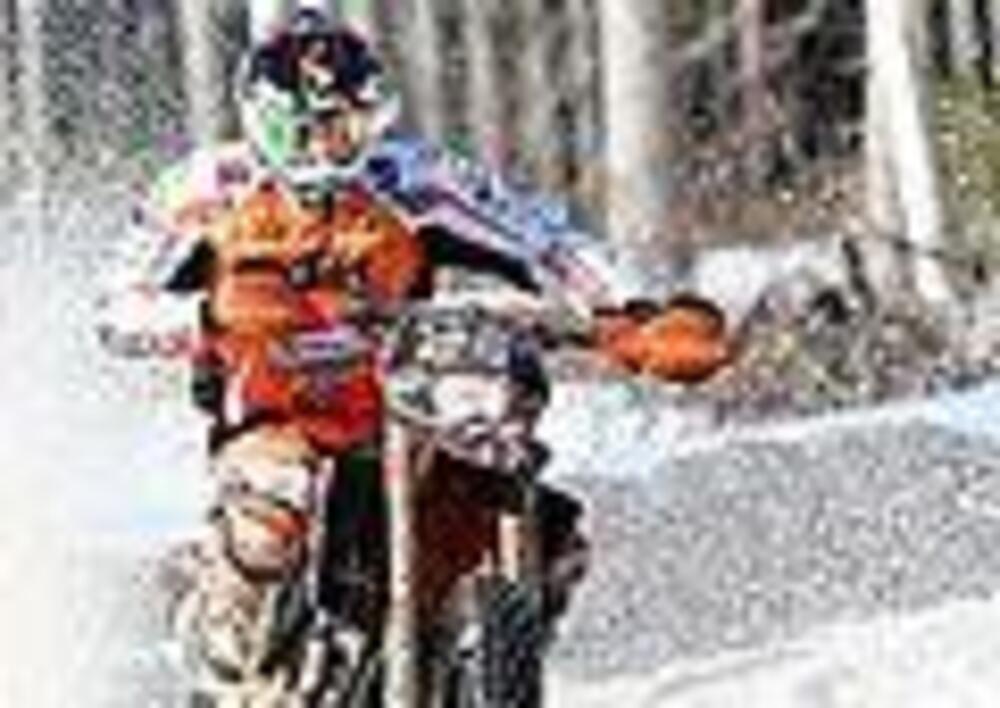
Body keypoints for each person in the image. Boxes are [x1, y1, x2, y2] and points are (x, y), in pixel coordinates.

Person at [97, 6, 731, 696]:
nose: (337, 144)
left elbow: (545, 240)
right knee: (273, 513)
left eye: (353, 122)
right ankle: (220, 637)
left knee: (550, 538)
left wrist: (632, 315)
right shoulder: (206, 192)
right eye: (319, 127)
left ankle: (474, 663)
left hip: (410, 397)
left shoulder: (414, 180)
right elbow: (115, 311)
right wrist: (210, 313)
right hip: (277, 414)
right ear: (271, 123)